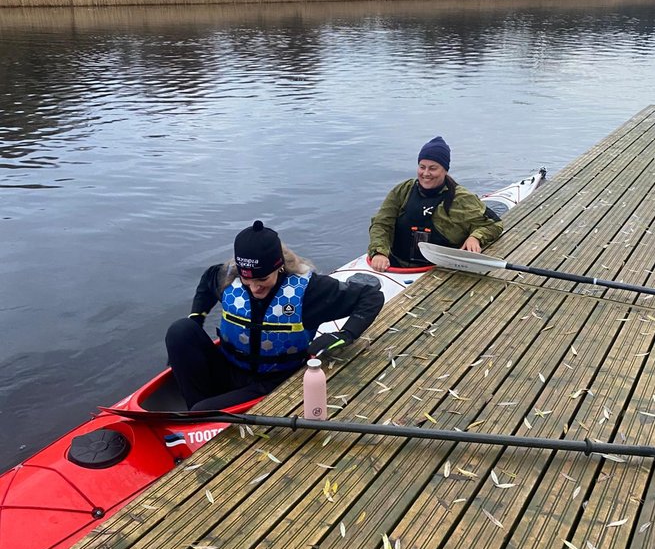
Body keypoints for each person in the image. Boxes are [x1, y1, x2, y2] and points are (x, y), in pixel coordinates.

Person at [165, 220, 384, 410]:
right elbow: (207, 281)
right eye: (248, 280)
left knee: (202, 408)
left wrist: (344, 335)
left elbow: (371, 298)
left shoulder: (310, 290)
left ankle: (199, 415)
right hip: (229, 366)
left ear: (279, 267)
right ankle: (197, 415)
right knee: (180, 330)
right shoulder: (228, 276)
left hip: (272, 379)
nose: (254, 288)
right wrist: (197, 317)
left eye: (262, 280)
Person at [368, 136, 503, 270]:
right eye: (422, 167)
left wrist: (476, 238)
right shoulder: (403, 190)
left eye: (433, 168)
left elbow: (494, 224)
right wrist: (379, 252)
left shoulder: (462, 198)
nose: (426, 173)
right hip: (395, 265)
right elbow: (382, 223)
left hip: (440, 269)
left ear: (445, 170)